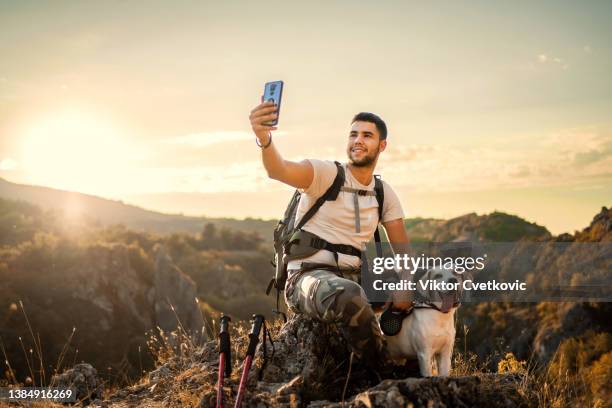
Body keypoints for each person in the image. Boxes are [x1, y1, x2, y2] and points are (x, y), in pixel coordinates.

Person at [249, 100, 412, 373]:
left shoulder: (384, 193)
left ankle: (415, 361)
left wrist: (405, 288)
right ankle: (383, 374)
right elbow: (277, 169)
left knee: (425, 292)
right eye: (353, 134)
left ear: (382, 146)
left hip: (356, 277)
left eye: (367, 135)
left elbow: (404, 253)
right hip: (308, 277)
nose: (357, 141)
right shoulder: (325, 174)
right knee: (349, 296)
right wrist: (264, 139)